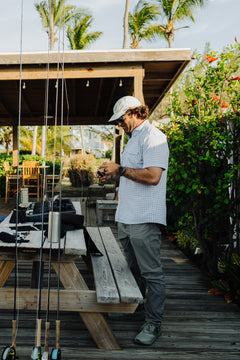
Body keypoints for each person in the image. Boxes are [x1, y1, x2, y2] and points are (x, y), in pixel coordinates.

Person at [98, 95, 169, 346]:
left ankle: (154, 324)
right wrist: (114, 175)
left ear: (133, 113)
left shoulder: (154, 137)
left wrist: (120, 170)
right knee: (133, 269)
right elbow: (131, 174)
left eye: (121, 119)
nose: (119, 124)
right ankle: (136, 308)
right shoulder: (133, 139)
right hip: (126, 215)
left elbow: (152, 177)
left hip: (144, 216)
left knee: (151, 273)